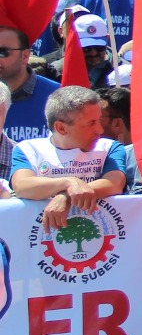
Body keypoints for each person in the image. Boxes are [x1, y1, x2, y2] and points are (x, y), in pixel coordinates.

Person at [8, 85, 131, 229]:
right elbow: (22, 186)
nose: (100, 130)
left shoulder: (109, 147)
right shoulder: (29, 149)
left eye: (99, 120)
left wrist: (65, 197)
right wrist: (69, 182)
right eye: (91, 123)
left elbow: (114, 183)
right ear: (61, 128)